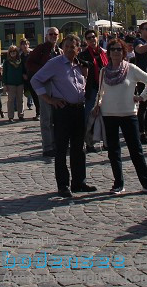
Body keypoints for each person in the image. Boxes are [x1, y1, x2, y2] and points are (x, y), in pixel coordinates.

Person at [92, 37, 147, 195]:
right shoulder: (104, 71)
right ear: (108, 53)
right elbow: (100, 91)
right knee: (113, 151)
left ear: (124, 52)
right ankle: (118, 183)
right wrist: (97, 105)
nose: (116, 52)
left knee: (136, 150)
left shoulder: (131, 68)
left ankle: (146, 183)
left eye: (119, 49)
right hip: (109, 115)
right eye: (113, 49)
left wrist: (142, 97)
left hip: (128, 114)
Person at [31, 34, 94, 198]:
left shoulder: (79, 64)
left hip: (79, 109)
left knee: (79, 148)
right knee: (61, 149)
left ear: (78, 49)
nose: (68, 49)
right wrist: (49, 99)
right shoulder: (55, 63)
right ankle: (63, 185)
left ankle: (79, 182)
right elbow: (35, 80)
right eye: (66, 46)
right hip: (63, 110)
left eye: (72, 47)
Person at [25, 28, 61, 156]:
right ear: (46, 36)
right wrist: (44, 71)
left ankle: (57, 144)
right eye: (51, 34)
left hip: (57, 87)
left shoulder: (59, 51)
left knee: (57, 118)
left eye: (55, 34)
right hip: (45, 85)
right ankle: (47, 147)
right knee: (46, 118)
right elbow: (29, 63)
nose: (53, 36)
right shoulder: (41, 49)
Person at [77, 29, 108, 152]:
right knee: (90, 116)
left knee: (106, 116)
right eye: (89, 38)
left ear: (97, 37)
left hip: (105, 88)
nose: (92, 39)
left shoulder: (104, 53)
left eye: (93, 37)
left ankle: (106, 142)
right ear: (86, 40)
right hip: (92, 89)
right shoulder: (83, 55)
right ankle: (89, 143)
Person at [1, 44, 25, 121]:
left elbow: (24, 71)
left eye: (14, 51)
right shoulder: (7, 62)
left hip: (20, 82)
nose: (13, 53)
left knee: (20, 100)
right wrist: (5, 84)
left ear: (17, 52)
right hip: (10, 83)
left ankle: (21, 115)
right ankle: (10, 116)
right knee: (10, 100)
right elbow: (4, 74)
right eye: (11, 52)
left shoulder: (21, 61)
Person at [19, 39, 38, 115]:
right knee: (27, 92)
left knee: (35, 95)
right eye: (23, 44)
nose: (25, 46)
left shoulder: (32, 53)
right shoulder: (21, 55)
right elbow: (21, 66)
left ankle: (38, 112)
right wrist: (23, 74)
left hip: (33, 75)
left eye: (26, 44)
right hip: (26, 77)